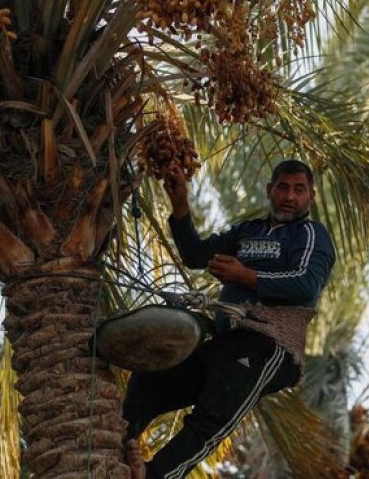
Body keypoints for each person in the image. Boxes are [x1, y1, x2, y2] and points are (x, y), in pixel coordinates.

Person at [123, 159, 336, 478]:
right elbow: (195, 254)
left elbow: (306, 283)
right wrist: (180, 203)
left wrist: (246, 275)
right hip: (225, 344)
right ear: (270, 191)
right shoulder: (248, 231)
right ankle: (115, 444)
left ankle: (154, 475)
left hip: (269, 345)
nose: (290, 197)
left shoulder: (310, 234)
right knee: (152, 378)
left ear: (311, 197)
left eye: (299, 190)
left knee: (213, 414)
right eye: (283, 188)